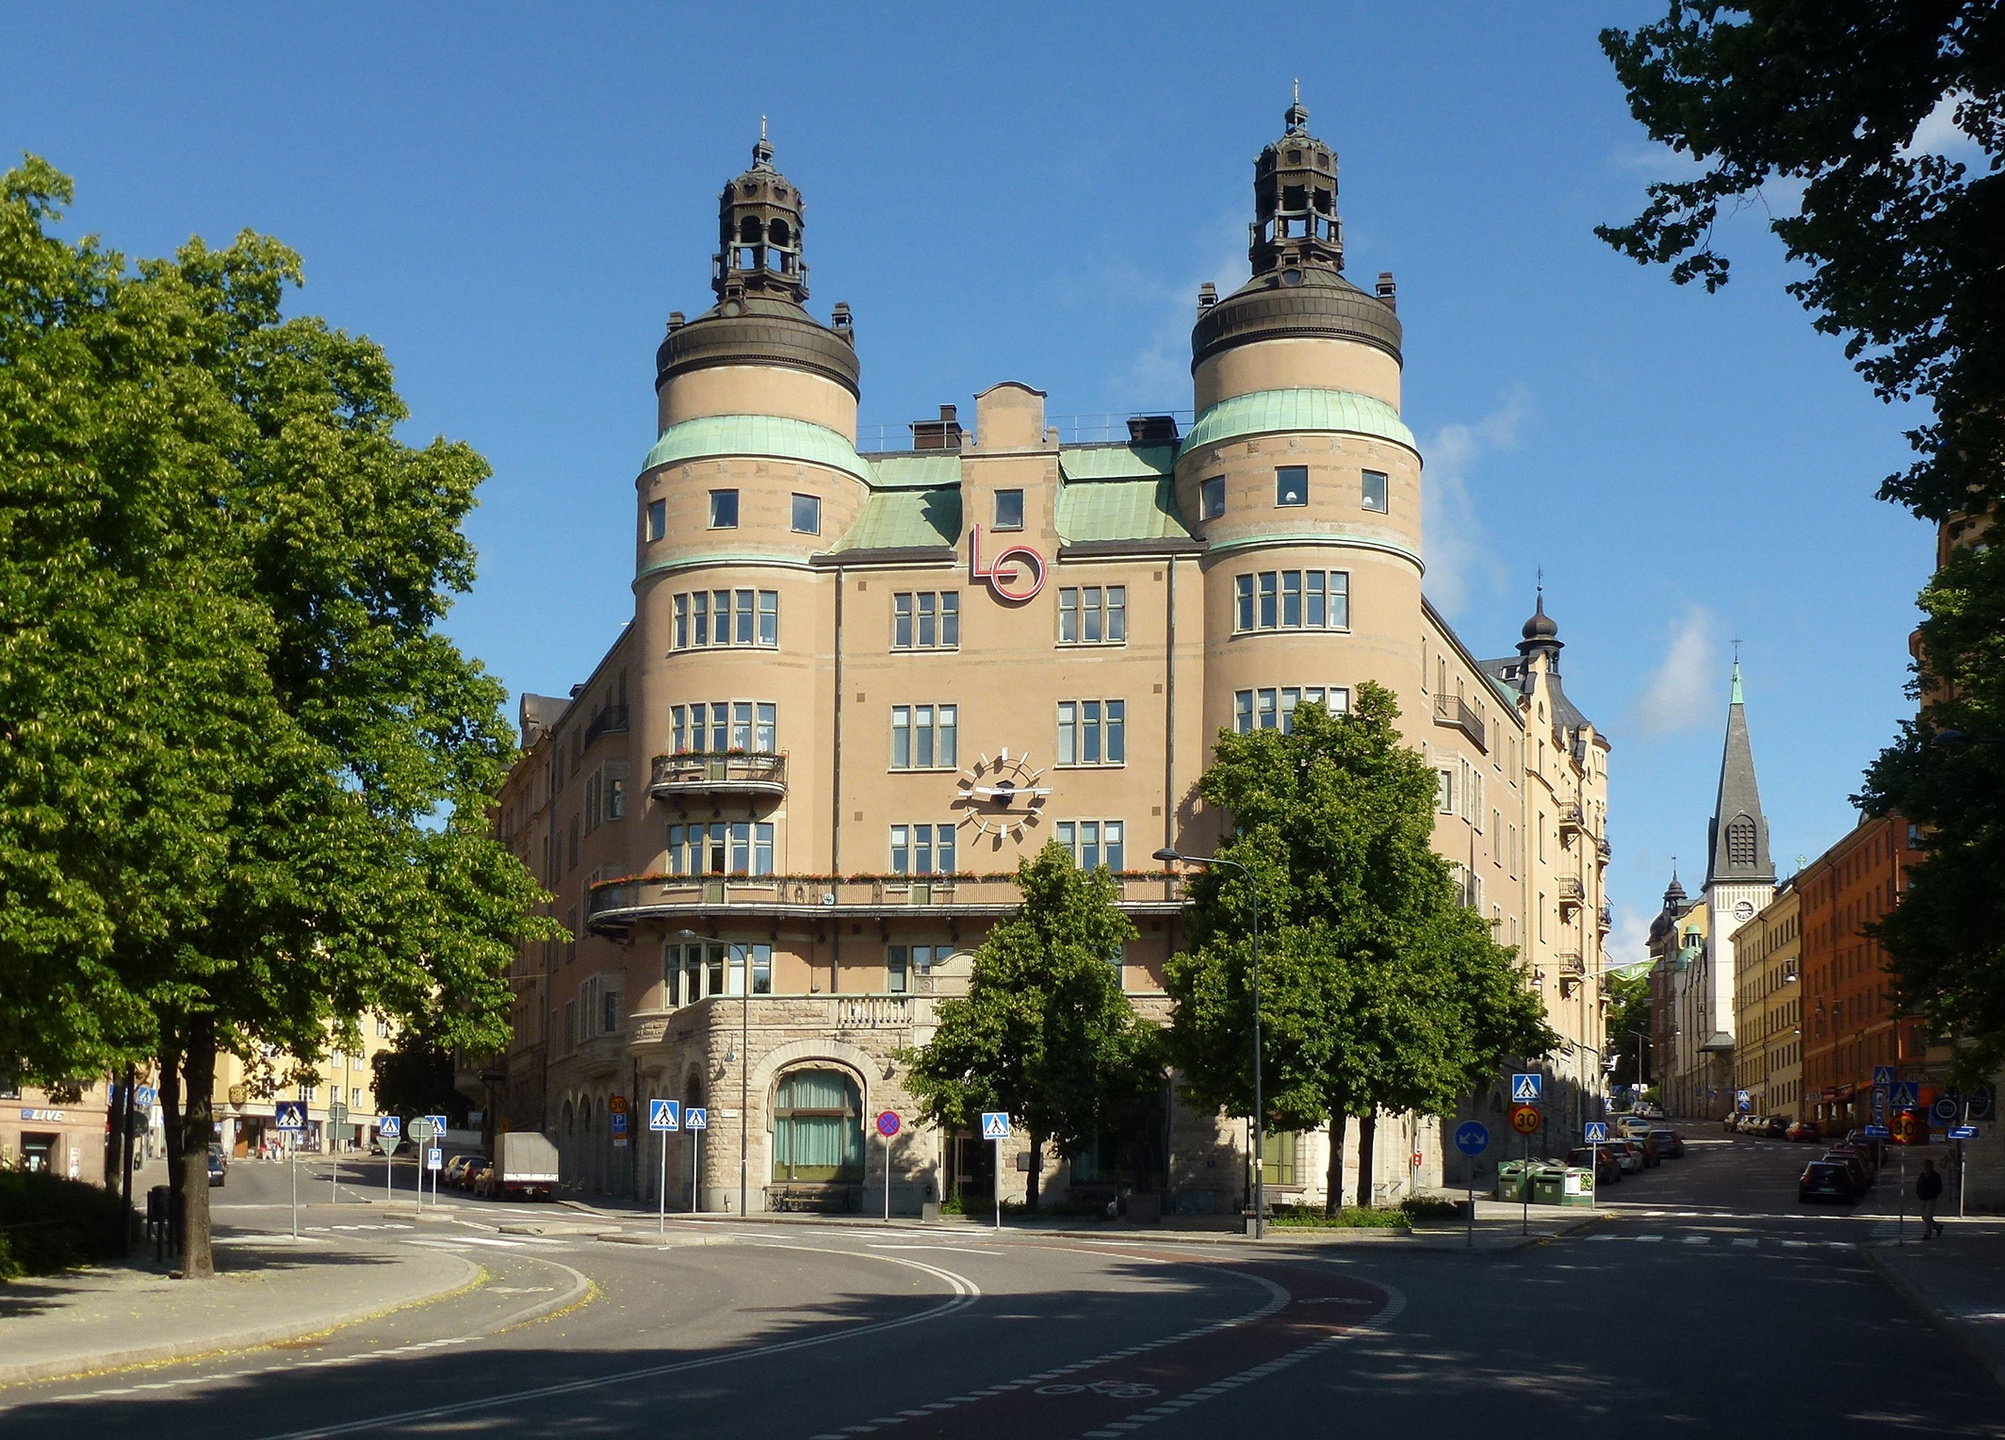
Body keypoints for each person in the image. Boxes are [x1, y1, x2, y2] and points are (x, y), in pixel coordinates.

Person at [1916, 1157, 1946, 1239]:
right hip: (1923, 1198)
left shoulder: (1935, 1176)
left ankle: (1928, 1233)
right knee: (1924, 1216)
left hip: (1931, 1198)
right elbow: (1918, 1185)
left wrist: (1934, 1194)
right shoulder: (1922, 1175)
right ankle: (1937, 1227)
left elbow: (1939, 1187)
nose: (1927, 1167)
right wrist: (1919, 1193)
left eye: (1928, 1165)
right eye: (1925, 1165)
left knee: (1928, 1216)